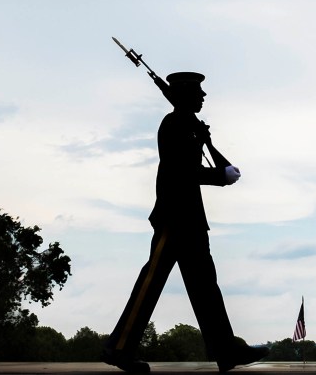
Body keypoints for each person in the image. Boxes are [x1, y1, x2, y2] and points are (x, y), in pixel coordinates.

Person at [102, 72, 268, 373]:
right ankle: (119, 348)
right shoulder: (173, 124)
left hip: (189, 219)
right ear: (184, 95)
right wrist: (218, 175)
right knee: (151, 283)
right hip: (174, 218)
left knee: (205, 286)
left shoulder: (188, 126)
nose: (203, 96)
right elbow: (183, 171)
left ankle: (225, 350)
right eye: (198, 91)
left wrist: (207, 142)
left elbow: (224, 169)